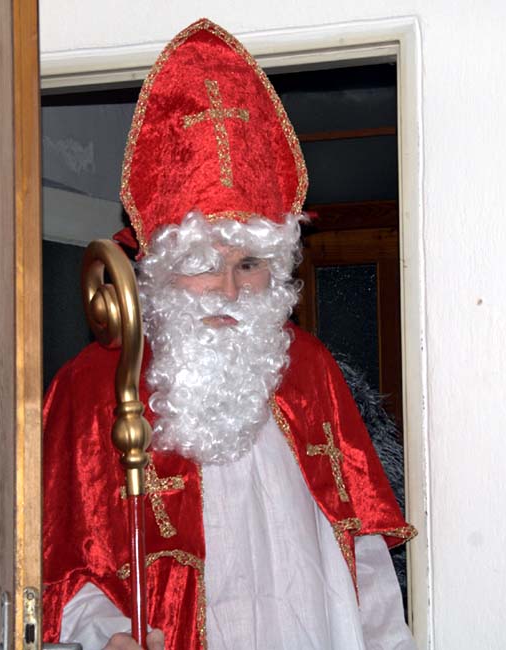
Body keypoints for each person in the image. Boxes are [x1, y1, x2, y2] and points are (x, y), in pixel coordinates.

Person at [42, 18, 416, 650]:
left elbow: (366, 554)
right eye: (202, 263)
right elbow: (64, 560)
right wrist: (105, 635)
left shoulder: (310, 368)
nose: (230, 289)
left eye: (250, 264)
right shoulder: (96, 386)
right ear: (159, 268)